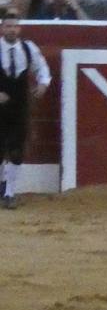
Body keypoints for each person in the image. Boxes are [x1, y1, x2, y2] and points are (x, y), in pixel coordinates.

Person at [0, 11, 50, 209]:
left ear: (19, 28)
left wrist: (43, 83)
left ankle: (10, 192)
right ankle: (3, 185)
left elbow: (42, 69)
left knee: (17, 148)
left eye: (15, 26)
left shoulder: (28, 48)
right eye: (8, 26)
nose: (12, 29)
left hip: (20, 105)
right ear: (2, 28)